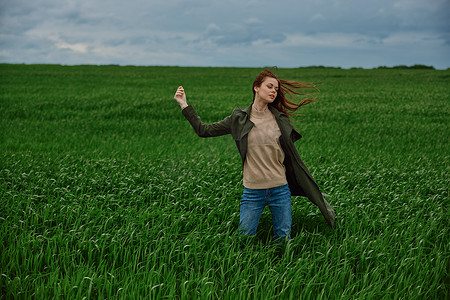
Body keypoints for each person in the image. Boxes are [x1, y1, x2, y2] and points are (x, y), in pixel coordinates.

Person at [173, 69, 335, 242]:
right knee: (244, 239)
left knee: (283, 240)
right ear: (256, 87)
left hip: (280, 190)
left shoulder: (280, 119)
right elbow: (203, 130)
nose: (274, 91)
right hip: (252, 192)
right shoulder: (239, 118)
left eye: (276, 89)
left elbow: (291, 157)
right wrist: (184, 104)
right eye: (270, 86)